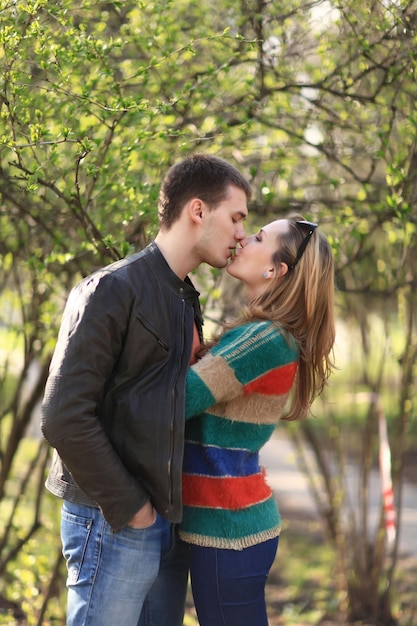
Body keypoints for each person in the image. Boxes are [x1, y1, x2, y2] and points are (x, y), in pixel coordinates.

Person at [40, 153, 251, 626]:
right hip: (112, 518)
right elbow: (62, 417)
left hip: (163, 523)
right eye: (236, 217)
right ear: (198, 210)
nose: (242, 232)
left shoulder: (183, 298)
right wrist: (132, 509)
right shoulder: (112, 289)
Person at [179, 215, 336, 626]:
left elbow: (180, 399)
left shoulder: (264, 338)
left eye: (259, 236)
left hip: (228, 527)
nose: (245, 238)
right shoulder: (266, 333)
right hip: (230, 524)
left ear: (275, 269)